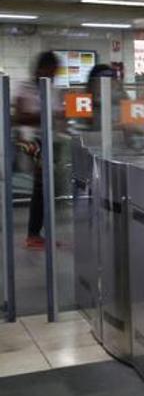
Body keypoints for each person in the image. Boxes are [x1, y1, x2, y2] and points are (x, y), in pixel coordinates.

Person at [13, 51, 59, 249]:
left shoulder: (51, 89)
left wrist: (47, 116)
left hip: (48, 140)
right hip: (30, 141)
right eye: (51, 71)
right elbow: (19, 117)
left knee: (45, 189)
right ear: (42, 68)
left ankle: (39, 233)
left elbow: (56, 117)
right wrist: (44, 115)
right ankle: (33, 234)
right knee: (41, 187)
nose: (54, 75)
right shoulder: (24, 87)